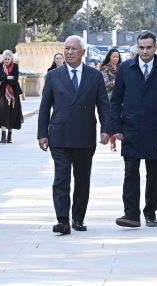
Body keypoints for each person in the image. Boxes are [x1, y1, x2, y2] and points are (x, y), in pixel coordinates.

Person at [37, 36, 111, 235]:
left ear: (83, 52)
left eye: (74, 49)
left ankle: (78, 218)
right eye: (67, 48)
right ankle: (62, 220)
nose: (69, 52)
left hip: (84, 135)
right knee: (61, 178)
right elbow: (44, 107)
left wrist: (106, 129)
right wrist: (42, 133)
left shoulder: (94, 75)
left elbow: (103, 105)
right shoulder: (53, 75)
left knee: (82, 179)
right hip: (59, 134)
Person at [110, 32, 157, 228]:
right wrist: (115, 127)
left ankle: (150, 212)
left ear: (155, 47)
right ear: (136, 47)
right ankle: (131, 213)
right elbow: (115, 100)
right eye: (141, 47)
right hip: (131, 129)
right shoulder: (126, 68)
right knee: (130, 172)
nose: (144, 51)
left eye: (148, 47)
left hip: (156, 130)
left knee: (153, 174)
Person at [0, 50, 23, 143]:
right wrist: (7, 77)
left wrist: (4, 80)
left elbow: (15, 80)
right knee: (2, 112)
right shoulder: (0, 65)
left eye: (8, 59)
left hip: (13, 94)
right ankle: (3, 136)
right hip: (2, 92)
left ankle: (9, 136)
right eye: (5, 59)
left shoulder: (15, 66)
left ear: (11, 58)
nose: (6, 61)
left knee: (12, 113)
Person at [99, 48, 121, 152]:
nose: (116, 59)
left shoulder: (122, 67)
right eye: (114, 57)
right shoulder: (105, 68)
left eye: (117, 57)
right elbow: (105, 84)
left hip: (122, 96)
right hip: (109, 97)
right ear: (109, 57)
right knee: (112, 119)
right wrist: (115, 83)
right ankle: (112, 142)